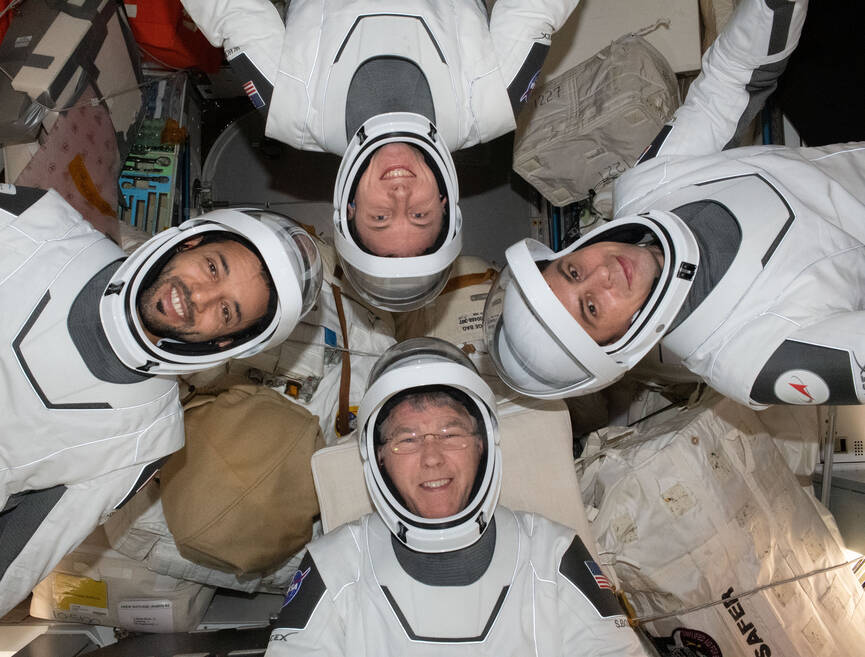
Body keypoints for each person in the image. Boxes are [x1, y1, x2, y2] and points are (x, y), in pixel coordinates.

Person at [0, 169, 321, 656]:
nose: (199, 297)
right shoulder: (40, 225)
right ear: (187, 244)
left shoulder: (147, 434)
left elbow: (8, 563)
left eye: (227, 311)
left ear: (226, 341)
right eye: (213, 268)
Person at [483, 0, 865, 409]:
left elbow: (731, 81)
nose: (603, 273)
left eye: (573, 270)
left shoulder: (647, 187)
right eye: (591, 307)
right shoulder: (747, 359)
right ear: (618, 344)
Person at [182, 0, 578, 310]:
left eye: (381, 216)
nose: (400, 196)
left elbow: (231, 10)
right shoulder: (493, 105)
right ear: (446, 205)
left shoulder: (290, 110)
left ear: (350, 207)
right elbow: (536, 8)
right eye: (419, 215)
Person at [266, 338, 645, 655]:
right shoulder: (335, 564)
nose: (432, 457)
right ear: (376, 456)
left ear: (483, 445)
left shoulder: (553, 553)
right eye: (407, 439)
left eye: (451, 433)